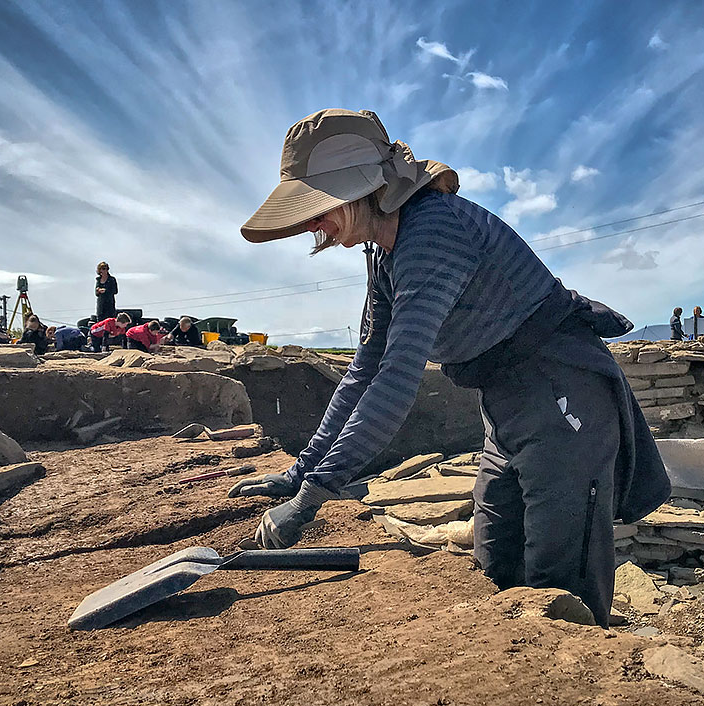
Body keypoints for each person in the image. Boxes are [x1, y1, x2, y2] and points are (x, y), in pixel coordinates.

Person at [226, 108, 668, 627]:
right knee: (495, 562)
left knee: (558, 582)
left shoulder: (432, 232)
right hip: (505, 404)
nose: (310, 223)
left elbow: (397, 375)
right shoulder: (387, 252)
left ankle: (585, 695)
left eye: (318, 204)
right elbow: (364, 367)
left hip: (562, 396)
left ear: (362, 187)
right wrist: (300, 474)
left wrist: (311, 499)